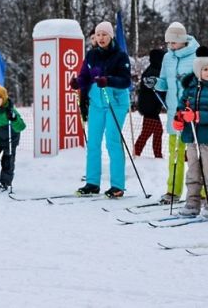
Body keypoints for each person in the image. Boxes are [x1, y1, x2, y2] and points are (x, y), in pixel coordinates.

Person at [70, 21, 131, 198]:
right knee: (93, 142)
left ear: (111, 36)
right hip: (97, 102)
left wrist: (109, 80)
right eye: (98, 34)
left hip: (116, 103)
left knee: (112, 140)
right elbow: (85, 77)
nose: (101, 37)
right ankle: (92, 183)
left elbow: (126, 81)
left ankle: (117, 185)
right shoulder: (91, 55)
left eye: (104, 34)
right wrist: (77, 82)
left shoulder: (120, 56)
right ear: (95, 37)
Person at [154, 22, 199, 204]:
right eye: (168, 43)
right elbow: (164, 82)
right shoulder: (168, 58)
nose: (170, 46)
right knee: (175, 154)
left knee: (196, 156)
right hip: (175, 114)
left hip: (193, 114)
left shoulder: (198, 55)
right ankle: (173, 191)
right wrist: (155, 83)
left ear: (182, 40)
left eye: (173, 42)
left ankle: (202, 193)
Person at [174, 46, 208, 218]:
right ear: (197, 70)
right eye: (205, 69)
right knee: (193, 172)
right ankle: (192, 204)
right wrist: (178, 118)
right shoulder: (190, 89)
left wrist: (197, 116)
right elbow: (181, 106)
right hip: (192, 138)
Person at [134, 49, 166, 158]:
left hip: (150, 107)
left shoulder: (151, 69)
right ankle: (140, 152)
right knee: (151, 131)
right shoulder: (154, 71)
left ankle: (142, 152)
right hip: (150, 108)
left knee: (152, 131)